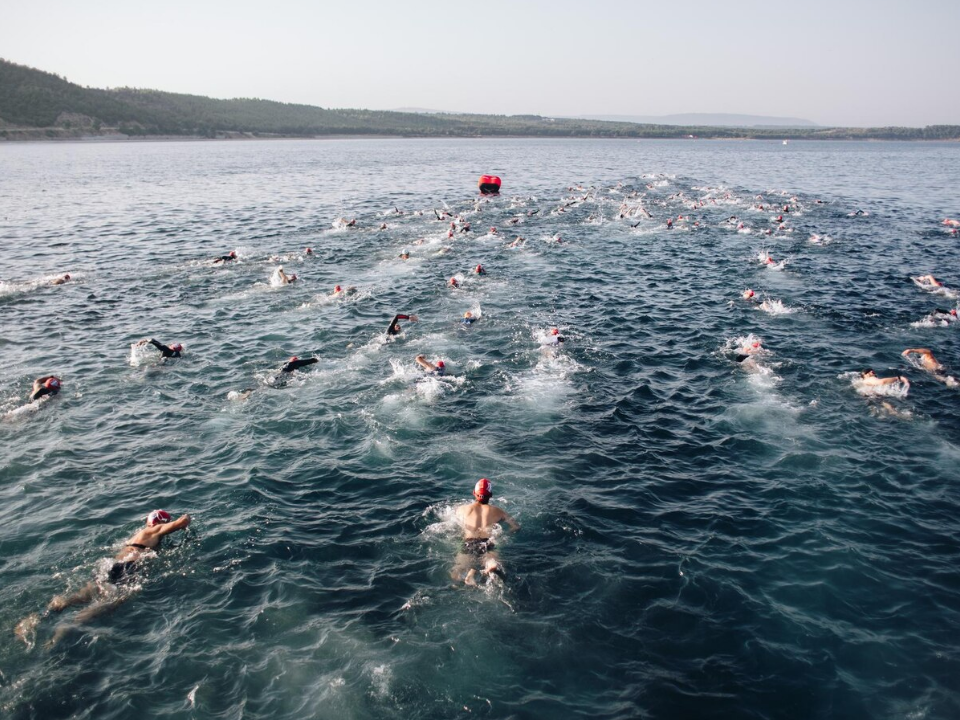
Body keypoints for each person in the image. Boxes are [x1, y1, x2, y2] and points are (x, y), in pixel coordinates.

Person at [16, 510, 191, 648]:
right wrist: (185, 520)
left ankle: (38, 618)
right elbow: (180, 522)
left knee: (81, 596)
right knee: (111, 602)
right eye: (165, 521)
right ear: (159, 521)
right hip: (126, 569)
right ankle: (67, 627)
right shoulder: (153, 530)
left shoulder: (138, 535)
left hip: (112, 564)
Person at [452, 478, 520, 586]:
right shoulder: (498, 511)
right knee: (491, 560)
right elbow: (516, 526)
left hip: (468, 542)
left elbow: (453, 523)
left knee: (456, 573)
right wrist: (505, 535)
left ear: (474, 493)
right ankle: (490, 565)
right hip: (487, 542)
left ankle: (469, 575)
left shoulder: (462, 509)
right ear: (491, 495)